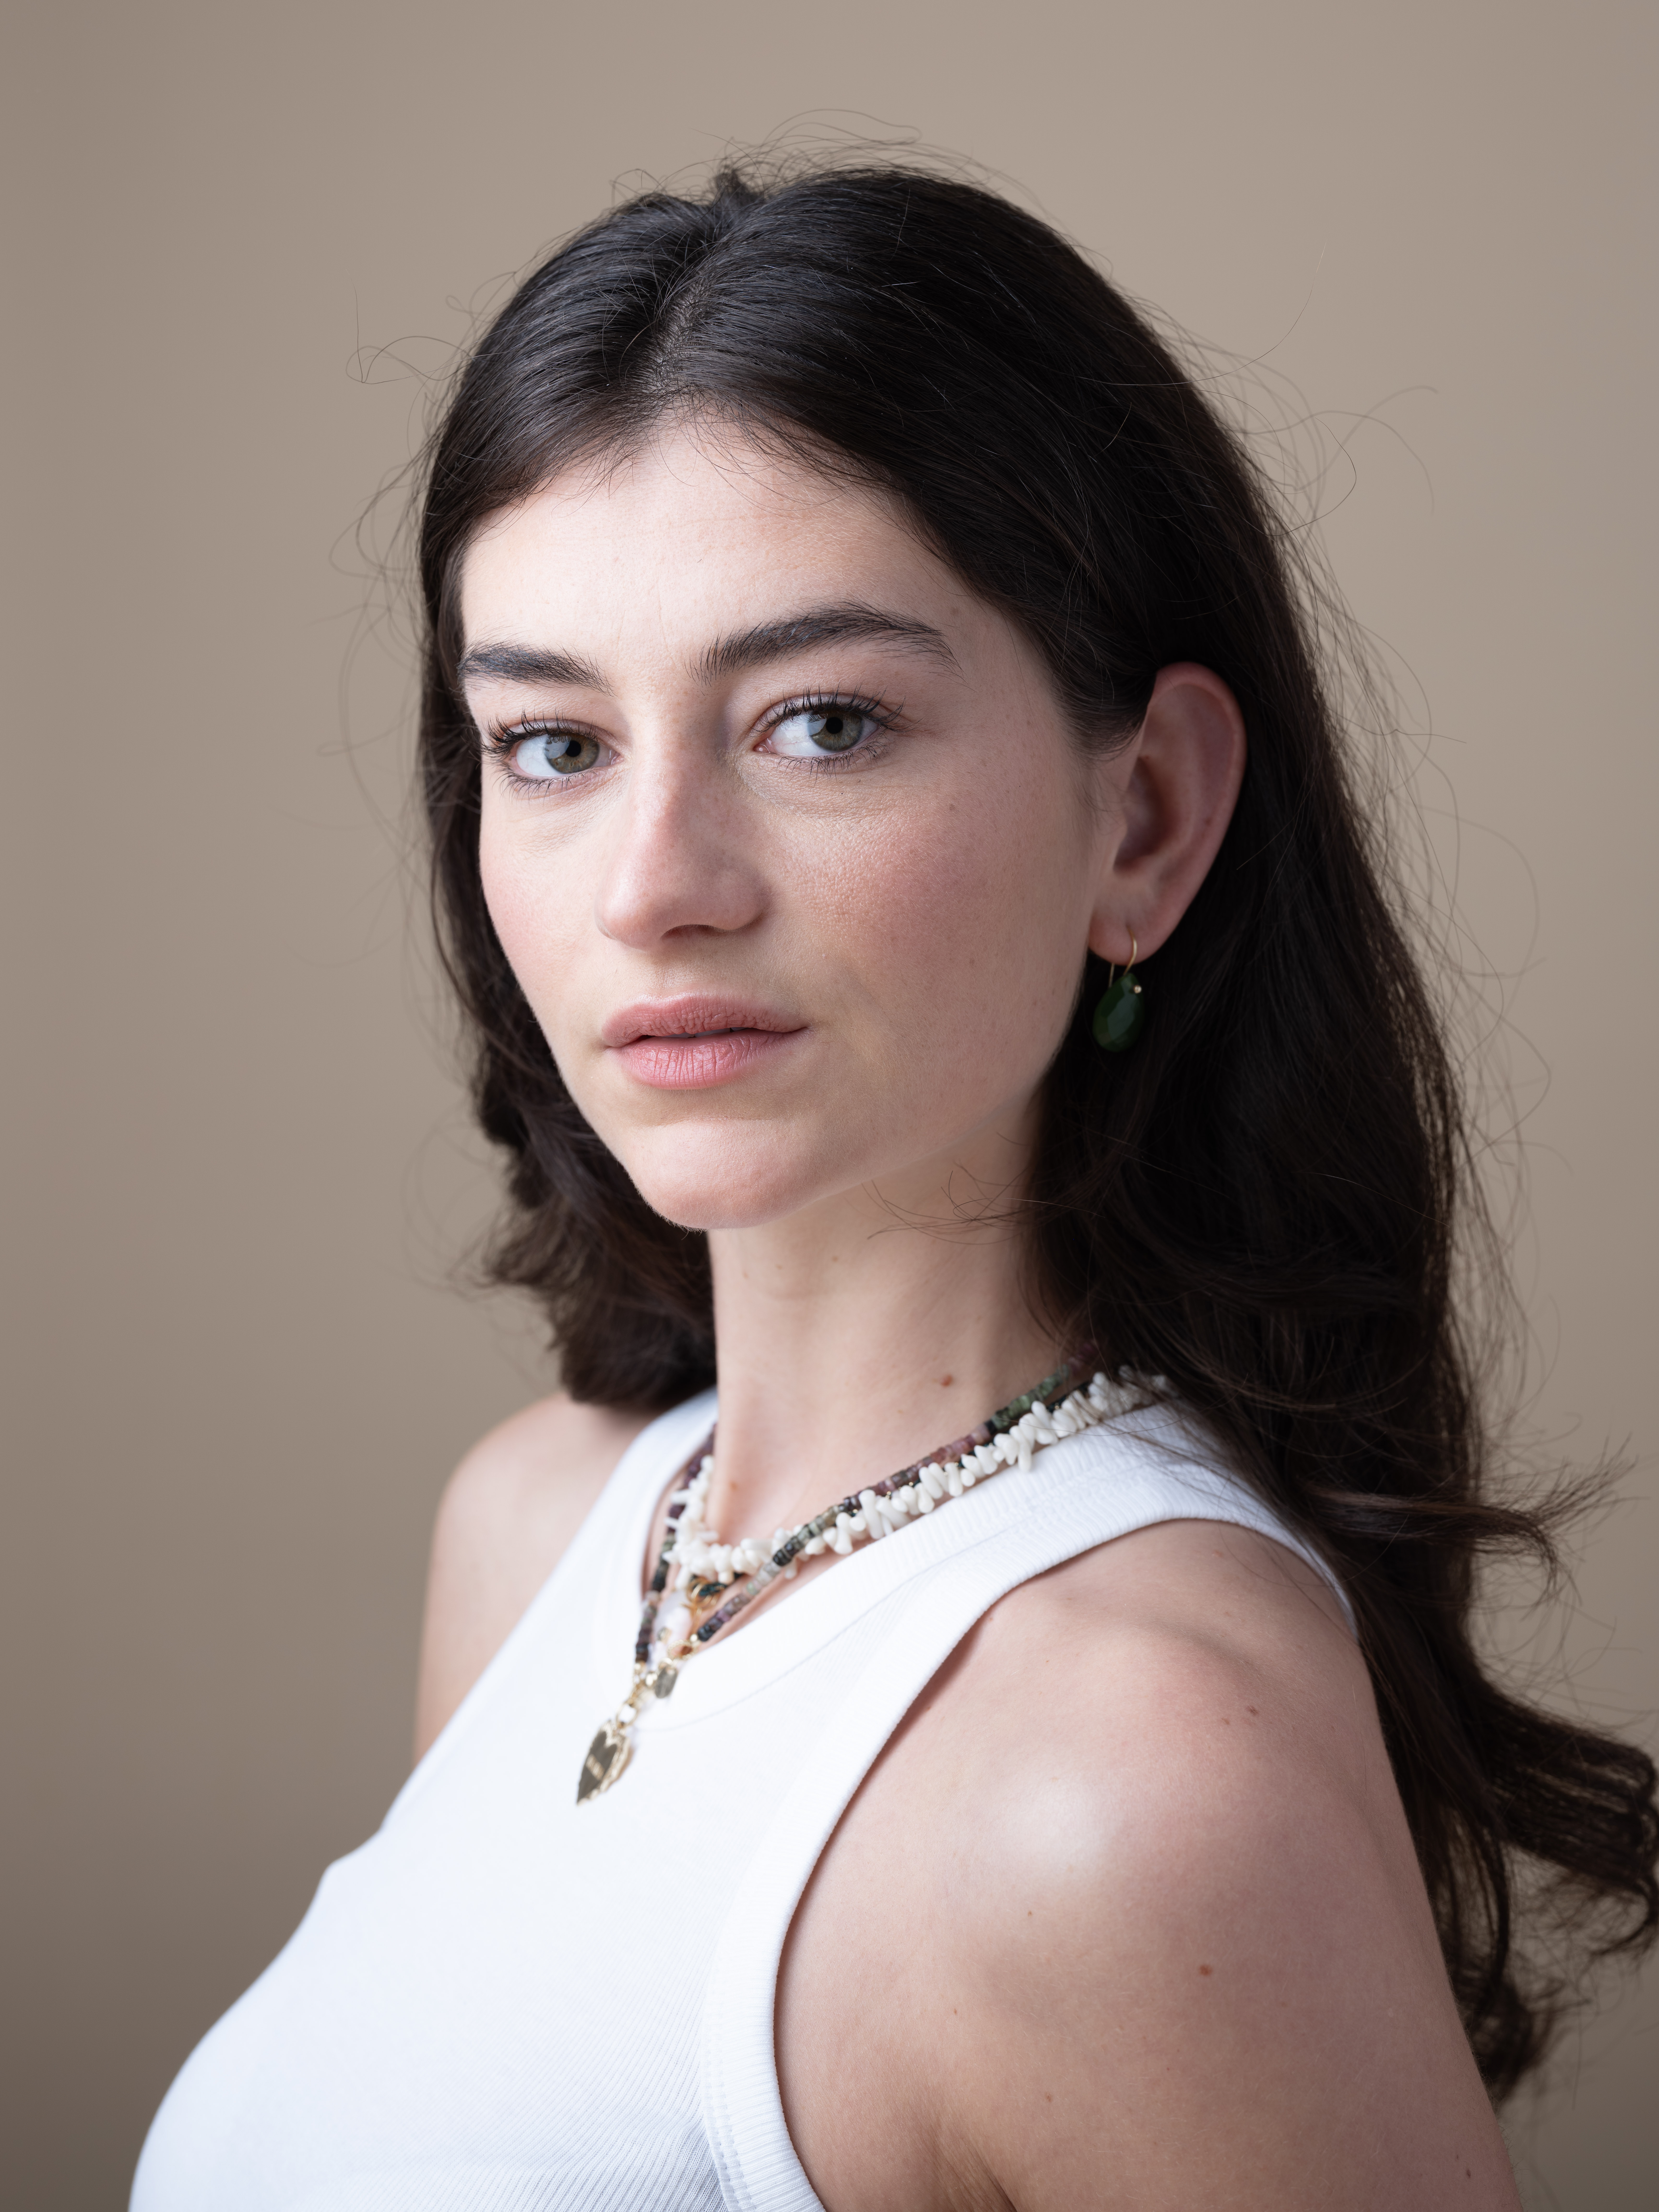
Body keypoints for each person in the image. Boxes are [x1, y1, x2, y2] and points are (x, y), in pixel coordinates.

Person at [133, 160, 1656, 2211]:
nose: (656, 886)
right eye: (554, 746)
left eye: (820, 722)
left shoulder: (1129, 1775)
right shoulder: (543, 1527)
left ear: (1147, 816)